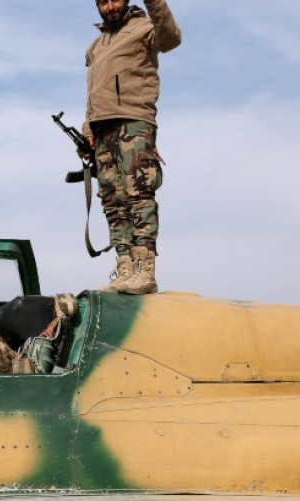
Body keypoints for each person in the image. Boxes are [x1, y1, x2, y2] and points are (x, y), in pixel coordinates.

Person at [82, 0, 181, 295]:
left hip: (133, 121)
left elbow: (172, 38)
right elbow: (93, 93)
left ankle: (145, 269)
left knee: (139, 193)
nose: (110, 6)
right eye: (103, 2)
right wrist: (88, 129)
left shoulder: (144, 28)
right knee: (113, 201)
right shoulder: (97, 45)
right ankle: (124, 268)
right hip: (102, 128)